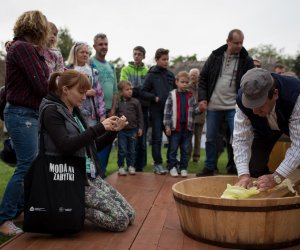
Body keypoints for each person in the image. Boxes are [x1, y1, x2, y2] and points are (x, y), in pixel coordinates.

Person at [40, 69, 135, 231]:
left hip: (88, 176)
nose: (85, 97)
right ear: (65, 90)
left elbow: (93, 146)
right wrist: (99, 127)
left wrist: (113, 131)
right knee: (120, 222)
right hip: (69, 180)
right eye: (81, 92)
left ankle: (74, 206)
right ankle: (71, 208)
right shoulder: (51, 111)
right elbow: (66, 146)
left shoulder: (74, 112)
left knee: (130, 215)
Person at [0, 10, 49, 236]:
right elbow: (40, 84)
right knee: (26, 166)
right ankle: (4, 218)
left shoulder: (23, 49)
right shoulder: (23, 48)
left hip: (27, 114)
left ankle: (18, 209)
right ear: (39, 28)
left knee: (29, 165)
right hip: (22, 114)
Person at [197, 29, 254, 176]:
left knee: (237, 138)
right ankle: (209, 168)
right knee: (210, 139)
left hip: (234, 107)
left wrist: (245, 103)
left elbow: (250, 83)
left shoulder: (246, 60)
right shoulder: (215, 56)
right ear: (228, 41)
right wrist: (203, 98)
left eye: (242, 42)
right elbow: (203, 78)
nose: (240, 46)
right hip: (213, 106)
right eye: (236, 43)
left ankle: (236, 168)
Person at [233, 68, 300, 191]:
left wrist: (277, 177)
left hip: (291, 122)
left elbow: (299, 145)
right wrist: (243, 175)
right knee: (254, 168)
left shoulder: (295, 96)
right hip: (263, 129)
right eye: (251, 105)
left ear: (275, 94)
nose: (254, 111)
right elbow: (240, 139)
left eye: (260, 104)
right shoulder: (242, 99)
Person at [141, 48, 176, 174]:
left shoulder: (171, 75)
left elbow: (176, 91)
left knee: (172, 137)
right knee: (156, 139)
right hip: (156, 112)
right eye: (163, 59)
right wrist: (153, 97)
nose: (166, 62)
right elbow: (142, 91)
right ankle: (158, 164)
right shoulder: (151, 75)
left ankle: (171, 163)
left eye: (167, 59)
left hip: (169, 113)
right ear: (157, 60)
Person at [90, 33, 118, 177]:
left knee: (107, 142)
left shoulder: (111, 66)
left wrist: (113, 109)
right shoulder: (90, 63)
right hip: (94, 111)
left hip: (109, 110)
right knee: (94, 142)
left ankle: (103, 172)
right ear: (94, 46)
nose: (104, 47)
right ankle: (94, 174)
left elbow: (114, 89)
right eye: (101, 44)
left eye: (106, 44)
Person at [164, 71, 199, 177]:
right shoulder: (172, 95)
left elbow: (194, 111)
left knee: (185, 149)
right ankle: (172, 167)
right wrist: (167, 126)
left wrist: (200, 108)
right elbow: (167, 111)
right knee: (173, 148)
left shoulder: (190, 95)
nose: (184, 84)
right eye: (182, 82)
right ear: (177, 82)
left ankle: (183, 168)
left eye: (186, 82)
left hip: (187, 128)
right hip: (175, 128)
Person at [120, 46, 148, 172]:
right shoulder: (125, 69)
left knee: (139, 142)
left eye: (139, 54)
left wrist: (136, 91)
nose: (137, 56)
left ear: (143, 56)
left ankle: (138, 166)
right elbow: (123, 84)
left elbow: (146, 89)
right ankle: (125, 165)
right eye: (135, 54)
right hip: (129, 107)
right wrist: (138, 90)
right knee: (126, 145)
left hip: (142, 107)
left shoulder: (146, 70)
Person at [66, 42, 105, 126]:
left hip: (92, 115)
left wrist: (102, 114)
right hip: (73, 112)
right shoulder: (68, 70)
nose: (85, 54)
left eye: (87, 53)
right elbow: (66, 91)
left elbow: (99, 94)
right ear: (75, 53)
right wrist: (85, 92)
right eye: (82, 52)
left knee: (92, 137)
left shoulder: (93, 71)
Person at [116, 80, 143, 176]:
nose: (130, 91)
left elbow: (140, 116)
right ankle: (121, 167)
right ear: (121, 92)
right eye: (127, 89)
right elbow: (115, 115)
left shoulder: (136, 102)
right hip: (122, 131)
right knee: (122, 149)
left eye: (131, 89)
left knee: (132, 150)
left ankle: (131, 166)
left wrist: (140, 128)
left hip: (133, 131)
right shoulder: (118, 102)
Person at [187, 68, 205, 163]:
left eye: (195, 75)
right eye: (192, 75)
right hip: (190, 116)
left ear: (198, 76)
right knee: (188, 138)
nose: (193, 76)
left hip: (200, 116)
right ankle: (188, 155)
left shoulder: (202, 87)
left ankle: (196, 157)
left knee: (198, 138)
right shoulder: (187, 87)